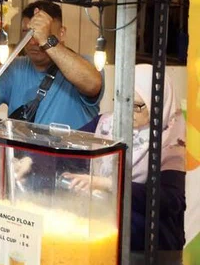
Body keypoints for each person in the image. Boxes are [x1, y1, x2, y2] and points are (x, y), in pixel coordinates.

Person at [67, 64, 186, 251]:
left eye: (136, 106)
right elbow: (68, 149)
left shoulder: (170, 142)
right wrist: (30, 161)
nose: (127, 112)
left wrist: (109, 185)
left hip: (148, 241)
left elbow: (170, 199)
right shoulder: (106, 124)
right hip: (103, 225)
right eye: (123, 102)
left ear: (157, 106)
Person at [0, 1, 103, 129]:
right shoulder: (15, 68)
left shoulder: (86, 64)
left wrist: (46, 40)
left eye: (40, 33)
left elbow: (93, 84)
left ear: (62, 33)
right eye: (27, 33)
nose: (33, 41)